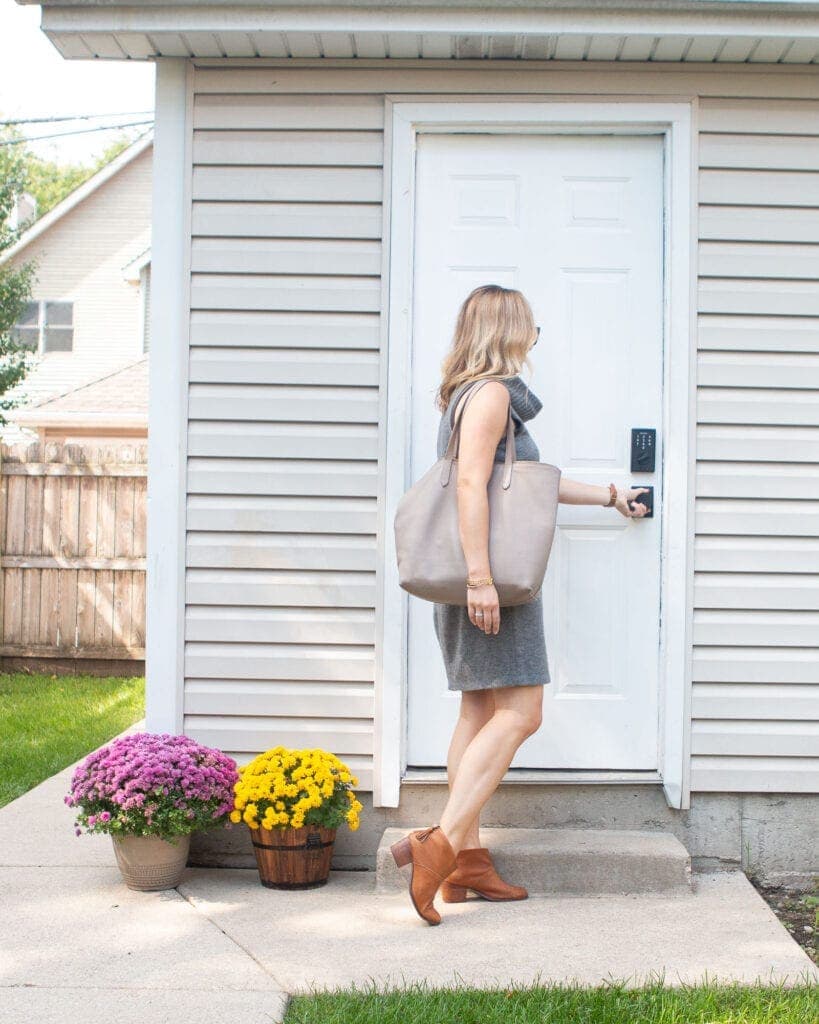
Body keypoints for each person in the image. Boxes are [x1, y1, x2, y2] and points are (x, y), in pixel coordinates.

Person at [391, 283, 650, 926]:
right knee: (522, 710)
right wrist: (481, 578)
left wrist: (610, 494)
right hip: (490, 582)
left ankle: (469, 863)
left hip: (475, 576)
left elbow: (526, 486)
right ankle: (440, 845)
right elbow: (473, 486)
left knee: (479, 710)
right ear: (508, 329)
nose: (535, 339)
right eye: (531, 327)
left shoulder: (465, 395)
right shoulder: (493, 394)